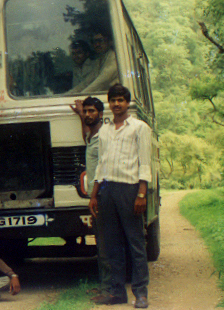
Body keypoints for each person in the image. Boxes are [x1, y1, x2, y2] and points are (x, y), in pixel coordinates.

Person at [89, 85, 151, 308]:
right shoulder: (104, 131)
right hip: (107, 190)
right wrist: (94, 195)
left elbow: (144, 162)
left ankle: (140, 293)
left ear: (127, 103)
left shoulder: (139, 128)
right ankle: (117, 293)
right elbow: (101, 164)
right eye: (113, 100)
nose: (117, 104)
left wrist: (141, 193)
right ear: (109, 103)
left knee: (135, 242)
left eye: (120, 100)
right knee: (112, 244)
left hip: (129, 189)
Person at [70, 96, 111, 303]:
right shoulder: (93, 135)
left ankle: (110, 289)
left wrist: (93, 196)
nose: (88, 114)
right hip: (97, 197)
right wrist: (79, 115)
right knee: (101, 243)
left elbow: (102, 171)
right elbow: (86, 134)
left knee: (106, 244)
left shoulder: (104, 136)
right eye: (85, 111)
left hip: (103, 196)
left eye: (91, 111)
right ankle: (106, 286)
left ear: (101, 114)